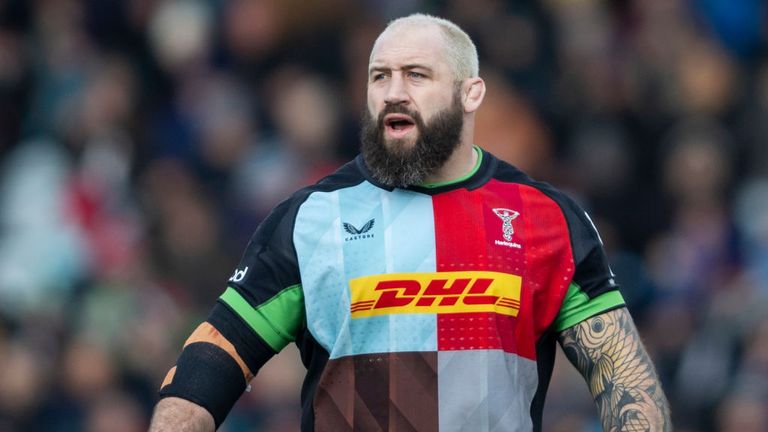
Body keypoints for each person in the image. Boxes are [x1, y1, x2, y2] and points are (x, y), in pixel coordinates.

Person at [148, 13, 671, 432]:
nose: (393, 92)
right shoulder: (310, 219)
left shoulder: (546, 218)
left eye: (416, 75)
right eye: (380, 77)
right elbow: (208, 367)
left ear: (471, 93)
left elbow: (620, 376)